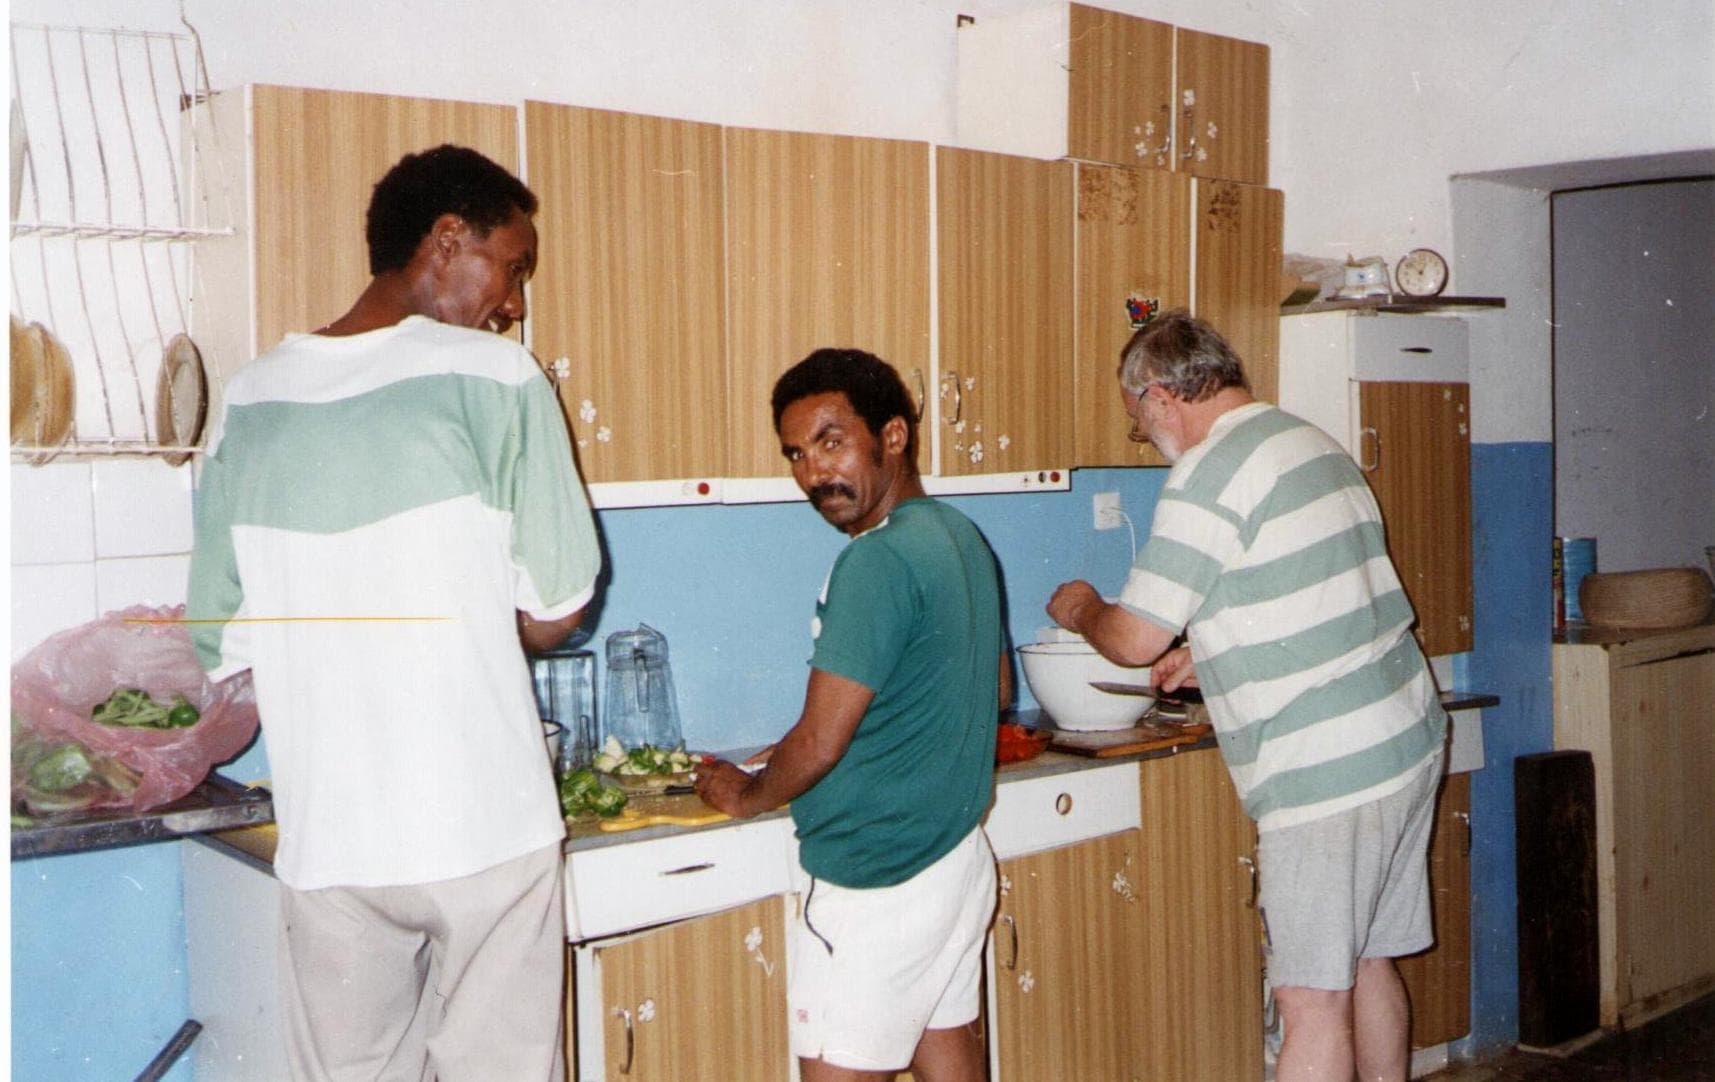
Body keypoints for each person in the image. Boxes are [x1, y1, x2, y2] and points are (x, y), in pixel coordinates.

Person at [187, 145, 601, 1082]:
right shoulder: (500, 380)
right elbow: (558, 611)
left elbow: (219, 644)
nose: (516, 302)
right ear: (448, 240)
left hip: (334, 840)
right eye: (514, 264)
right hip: (486, 830)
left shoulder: (249, 402)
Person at [1047, 310, 1447, 1082]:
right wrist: (1214, 651)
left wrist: (1080, 608)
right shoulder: (1308, 442)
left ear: (1160, 396)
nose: (1147, 436)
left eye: (1139, 421)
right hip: (1403, 738)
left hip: (1326, 771)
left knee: (1308, 1000)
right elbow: (1312, 593)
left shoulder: (1210, 469)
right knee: (1366, 963)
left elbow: (1131, 640)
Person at [695, 348, 1007, 1082]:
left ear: (891, 436)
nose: (812, 474)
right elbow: (985, 690)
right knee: (949, 1058)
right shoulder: (959, 537)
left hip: (876, 885)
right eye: (796, 454)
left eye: (830, 441)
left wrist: (743, 792)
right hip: (953, 865)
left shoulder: (876, 561)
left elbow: (822, 738)